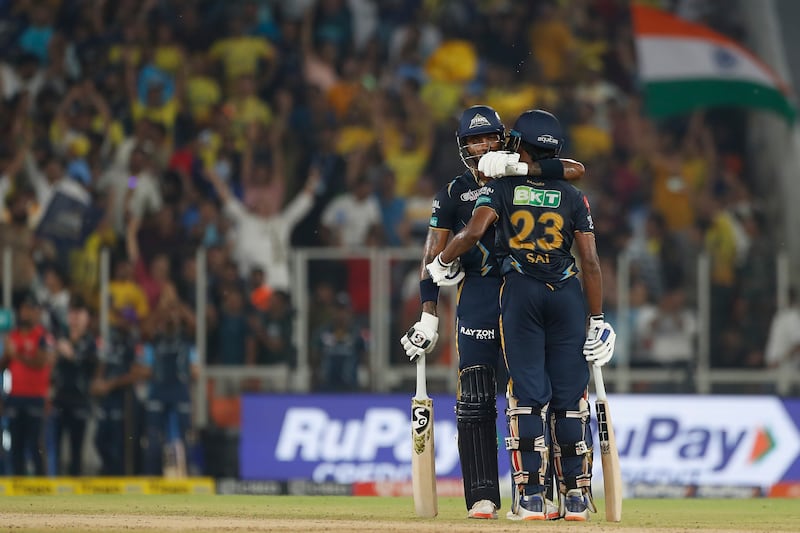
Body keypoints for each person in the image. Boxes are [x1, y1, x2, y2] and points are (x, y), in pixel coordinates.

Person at [426, 109, 615, 521]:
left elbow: (473, 233)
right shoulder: (572, 195)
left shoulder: (505, 187)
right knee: (567, 399)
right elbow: (592, 262)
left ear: (512, 142)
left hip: (520, 291)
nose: (482, 147)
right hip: (565, 292)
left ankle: (530, 496)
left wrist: (442, 262)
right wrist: (599, 319)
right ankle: (576, 498)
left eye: (491, 139)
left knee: (528, 396)